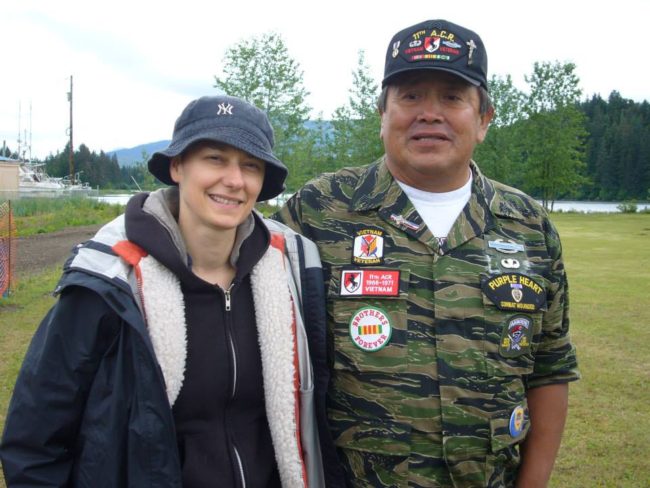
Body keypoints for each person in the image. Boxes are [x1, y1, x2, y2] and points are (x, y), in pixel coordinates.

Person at [274, 19, 579, 488]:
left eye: (452, 97)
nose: (429, 113)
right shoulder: (317, 212)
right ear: (382, 113)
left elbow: (549, 369)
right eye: (410, 95)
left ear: (483, 119)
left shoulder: (528, 226)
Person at [1, 95, 344, 488]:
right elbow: (35, 440)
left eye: (250, 165)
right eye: (215, 158)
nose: (234, 180)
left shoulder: (293, 275)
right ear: (177, 166)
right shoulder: (110, 282)